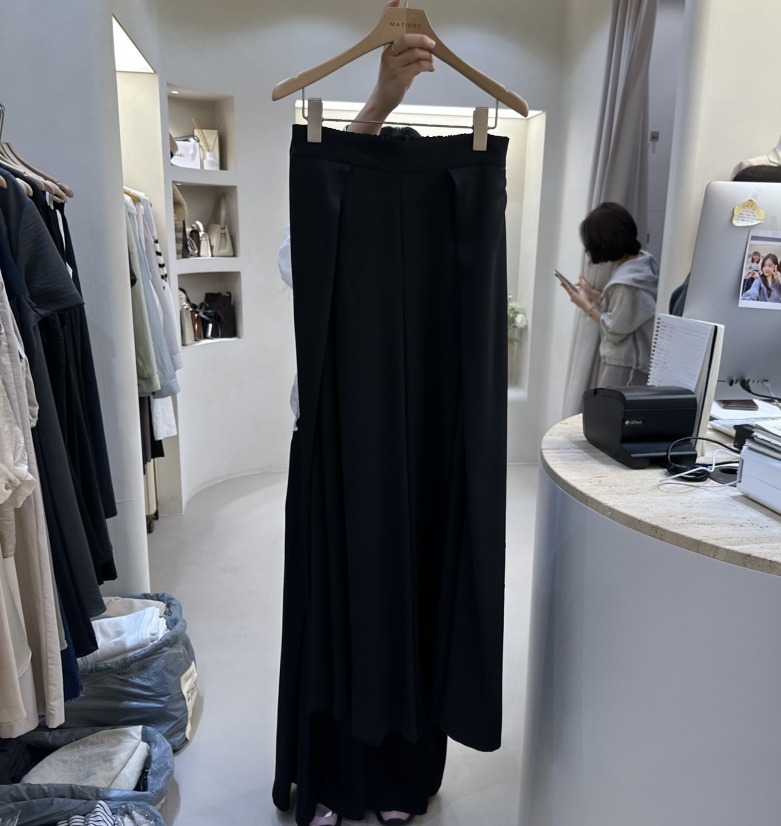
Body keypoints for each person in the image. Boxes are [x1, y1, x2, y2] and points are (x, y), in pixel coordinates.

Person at [273, 6, 507, 826]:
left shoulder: (465, 194)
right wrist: (374, 109)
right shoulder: (328, 196)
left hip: (433, 431)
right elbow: (298, 262)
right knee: (341, 589)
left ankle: (403, 778)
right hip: (337, 434)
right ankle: (332, 779)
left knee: (420, 577)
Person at [560, 202, 659, 387]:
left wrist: (585, 305)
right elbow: (629, 310)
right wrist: (593, 295)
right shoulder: (644, 261)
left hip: (626, 367)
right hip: (631, 365)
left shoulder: (627, 283)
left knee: (607, 406)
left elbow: (614, 329)